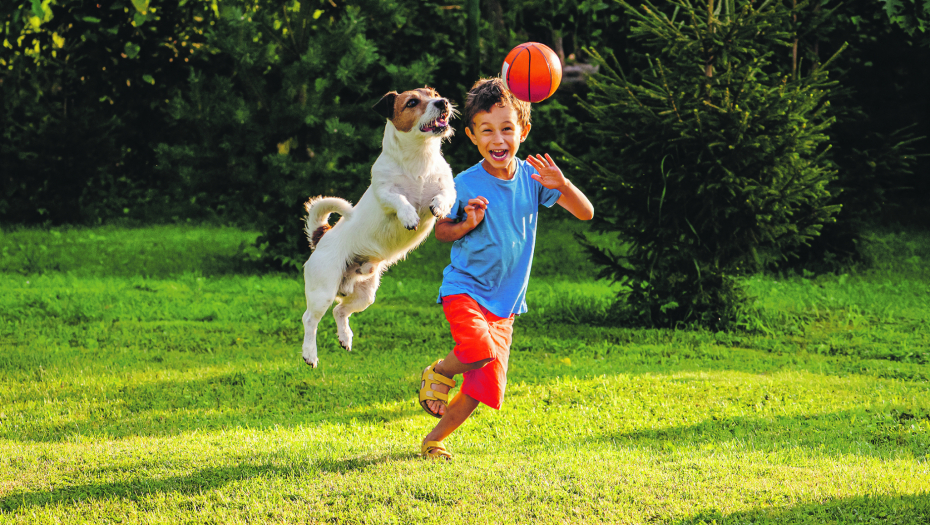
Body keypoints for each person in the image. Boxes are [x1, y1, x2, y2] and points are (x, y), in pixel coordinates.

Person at [417, 77, 595, 460]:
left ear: (523, 131)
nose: (498, 139)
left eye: (507, 129)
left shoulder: (534, 179)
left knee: (482, 389)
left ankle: (434, 440)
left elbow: (585, 212)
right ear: (471, 136)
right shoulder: (463, 183)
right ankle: (440, 372)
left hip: (505, 305)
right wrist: (467, 224)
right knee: (477, 350)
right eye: (487, 131)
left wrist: (562, 184)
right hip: (465, 288)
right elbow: (441, 232)